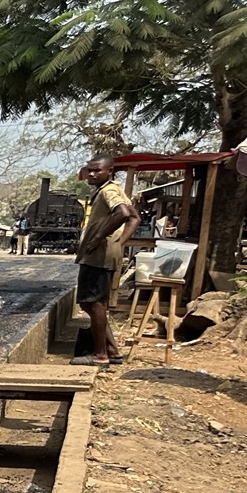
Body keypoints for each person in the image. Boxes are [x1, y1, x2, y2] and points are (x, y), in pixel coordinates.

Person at [73, 156, 138, 366]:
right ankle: (112, 350)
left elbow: (123, 213)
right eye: (89, 170)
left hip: (99, 253)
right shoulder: (112, 189)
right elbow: (135, 217)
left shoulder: (109, 191)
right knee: (88, 302)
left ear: (109, 171)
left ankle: (100, 354)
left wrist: (100, 237)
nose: (91, 174)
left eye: (97, 171)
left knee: (93, 302)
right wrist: (120, 242)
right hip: (104, 251)